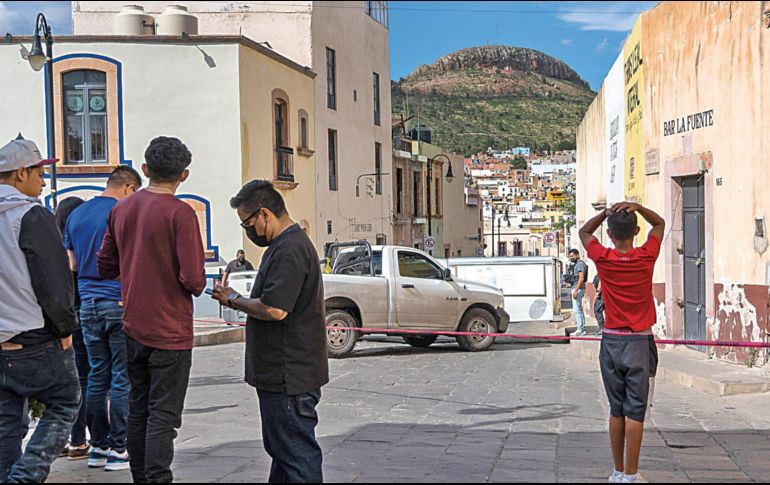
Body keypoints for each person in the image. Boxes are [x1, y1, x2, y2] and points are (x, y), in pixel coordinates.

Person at [97, 136, 205, 483]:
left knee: (139, 407)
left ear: (144, 170)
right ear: (184, 175)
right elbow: (194, 279)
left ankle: (140, 476)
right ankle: (158, 479)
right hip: (170, 330)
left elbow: (104, 264)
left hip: (133, 325)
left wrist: (134, 267)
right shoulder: (181, 213)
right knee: (164, 416)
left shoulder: (121, 209)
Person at [212, 180, 329, 483]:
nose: (248, 230)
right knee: (284, 453)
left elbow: (276, 309)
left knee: (296, 456)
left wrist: (233, 299)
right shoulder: (286, 245)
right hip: (284, 373)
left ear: (264, 213)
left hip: (287, 374)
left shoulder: (289, 249)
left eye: (247, 222)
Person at [0, 138, 80, 482]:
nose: (43, 181)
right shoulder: (30, 215)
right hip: (32, 334)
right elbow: (53, 281)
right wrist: (65, 330)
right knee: (65, 402)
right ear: (20, 173)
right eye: (39, 172)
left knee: (5, 420)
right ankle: (25, 477)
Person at [579, 202, 665, 484]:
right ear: (636, 231)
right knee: (636, 412)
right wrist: (639, 207)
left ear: (611, 236)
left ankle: (617, 471)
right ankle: (631, 474)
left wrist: (604, 215)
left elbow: (584, 232)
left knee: (616, 410)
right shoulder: (646, 256)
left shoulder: (603, 258)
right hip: (639, 340)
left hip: (611, 340)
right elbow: (660, 224)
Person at [65, 166, 142, 471]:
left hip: (87, 303)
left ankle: (98, 446)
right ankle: (120, 449)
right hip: (118, 300)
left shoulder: (77, 215)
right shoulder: (123, 213)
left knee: (97, 376)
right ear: (129, 188)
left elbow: (71, 263)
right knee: (122, 377)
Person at [54, 196, 91, 461]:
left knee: (73, 382)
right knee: (93, 379)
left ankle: (73, 439)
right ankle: (89, 440)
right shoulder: (82, 244)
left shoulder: (52, 245)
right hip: (84, 314)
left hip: (62, 321)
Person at [569, 248, 589, 336]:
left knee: (577, 310)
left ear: (577, 255)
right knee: (579, 309)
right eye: (570, 256)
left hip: (578, 288)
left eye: (572, 256)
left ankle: (580, 329)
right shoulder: (577, 264)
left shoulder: (580, 264)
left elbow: (581, 278)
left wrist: (576, 290)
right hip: (578, 287)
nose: (571, 258)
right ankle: (582, 329)